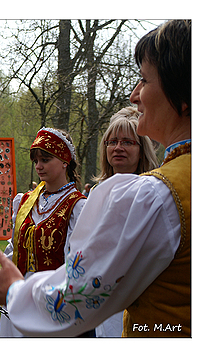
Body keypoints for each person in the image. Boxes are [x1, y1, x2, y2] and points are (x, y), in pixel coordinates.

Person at [0, 19, 191, 337]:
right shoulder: (28, 201)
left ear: (182, 93)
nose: (134, 95)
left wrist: (15, 291)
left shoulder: (157, 196)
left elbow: (82, 295)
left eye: (144, 81)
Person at [0, 127, 87, 337]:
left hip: (53, 294)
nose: (39, 166)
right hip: (18, 290)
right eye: (36, 160)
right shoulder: (25, 200)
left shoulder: (77, 206)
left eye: (46, 159)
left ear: (65, 161)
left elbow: (76, 260)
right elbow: (14, 245)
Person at [92, 107, 159, 337]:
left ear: (141, 151)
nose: (118, 147)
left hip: (139, 298)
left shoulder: (152, 192)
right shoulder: (96, 193)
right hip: (100, 298)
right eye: (112, 142)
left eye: (127, 142)